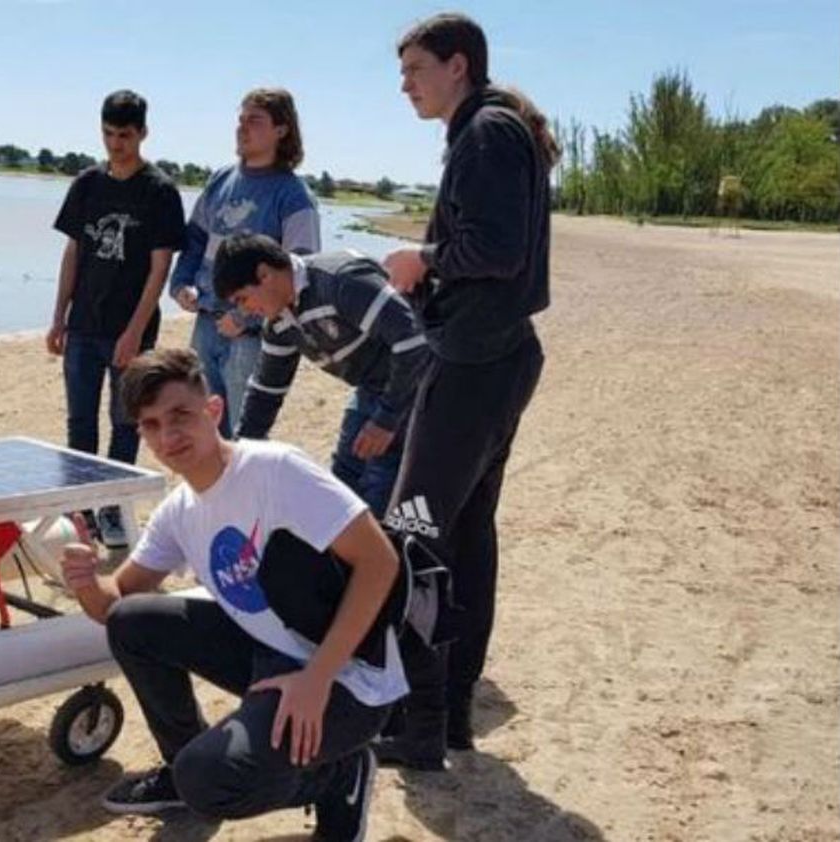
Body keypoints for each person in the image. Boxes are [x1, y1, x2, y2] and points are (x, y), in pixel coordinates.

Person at [59, 347, 406, 841]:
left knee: (210, 781)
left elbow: (380, 561)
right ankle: (180, 765)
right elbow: (112, 605)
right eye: (152, 424)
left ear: (214, 410)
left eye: (180, 415)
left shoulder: (274, 470)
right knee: (132, 621)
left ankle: (337, 778)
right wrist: (86, 580)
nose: (168, 436)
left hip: (347, 677)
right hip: (269, 656)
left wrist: (316, 677)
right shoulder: (179, 510)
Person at [375, 12, 559, 768]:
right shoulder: (492, 130)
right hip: (495, 355)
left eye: (416, 70)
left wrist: (421, 260)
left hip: (478, 360)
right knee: (463, 536)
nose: (406, 85)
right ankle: (447, 715)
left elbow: (494, 248)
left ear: (458, 65)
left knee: (415, 533)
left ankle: (420, 725)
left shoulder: (485, 133)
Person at [48, 89, 186, 547]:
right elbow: (72, 252)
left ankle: (112, 510)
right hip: (83, 325)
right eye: (108, 134)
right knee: (79, 423)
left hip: (129, 329)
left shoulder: (159, 192)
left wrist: (133, 332)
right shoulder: (87, 184)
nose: (115, 144)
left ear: (143, 133)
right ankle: (79, 508)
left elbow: (159, 267)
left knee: (125, 422)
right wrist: (58, 316)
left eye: (124, 135)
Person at [212, 233, 427, 517]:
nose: (245, 311)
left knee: (382, 486)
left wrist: (386, 420)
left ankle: (383, 556)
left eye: (243, 298)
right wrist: (240, 457)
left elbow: (413, 343)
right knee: (343, 480)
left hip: (423, 385)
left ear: (264, 274)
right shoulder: (279, 322)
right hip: (372, 388)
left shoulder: (340, 281)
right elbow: (266, 391)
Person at [168, 88, 321, 439]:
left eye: (254, 121)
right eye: (240, 120)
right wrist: (181, 283)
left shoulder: (294, 195)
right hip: (206, 325)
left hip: (254, 337)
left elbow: (302, 271)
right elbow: (194, 239)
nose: (242, 128)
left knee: (245, 435)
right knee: (203, 429)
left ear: (282, 130)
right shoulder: (220, 180)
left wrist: (245, 317)